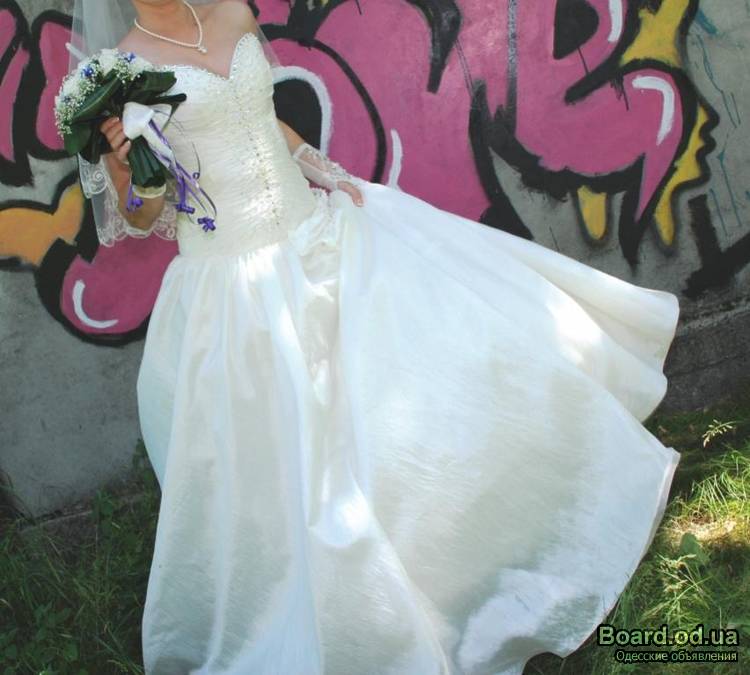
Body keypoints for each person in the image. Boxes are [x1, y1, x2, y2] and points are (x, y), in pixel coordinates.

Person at [69, 1, 682, 673]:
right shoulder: (116, 73)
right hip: (236, 288)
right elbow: (142, 214)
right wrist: (129, 169)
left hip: (318, 236)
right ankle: (360, 616)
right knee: (299, 462)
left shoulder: (232, 12)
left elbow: (262, 118)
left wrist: (325, 169)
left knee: (420, 392)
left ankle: (472, 564)